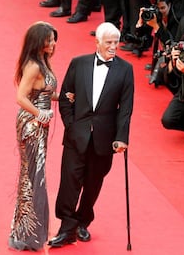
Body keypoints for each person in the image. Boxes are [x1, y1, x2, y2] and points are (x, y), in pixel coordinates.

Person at [48, 22, 134, 248]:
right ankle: (66, 227)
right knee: (69, 182)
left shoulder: (126, 70)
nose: (113, 46)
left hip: (105, 139)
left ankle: (82, 222)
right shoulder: (79, 63)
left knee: (93, 183)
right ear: (97, 42)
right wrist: (71, 125)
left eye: (116, 42)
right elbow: (66, 99)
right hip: (77, 135)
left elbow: (125, 108)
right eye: (109, 42)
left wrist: (122, 137)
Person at [8, 21, 58, 251]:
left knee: (33, 175)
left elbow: (43, 92)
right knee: (32, 177)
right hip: (31, 125)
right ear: (39, 41)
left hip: (39, 123)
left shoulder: (42, 61)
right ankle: (27, 233)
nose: (53, 43)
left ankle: (29, 230)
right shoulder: (34, 66)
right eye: (49, 39)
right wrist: (41, 114)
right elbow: (21, 97)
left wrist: (61, 97)